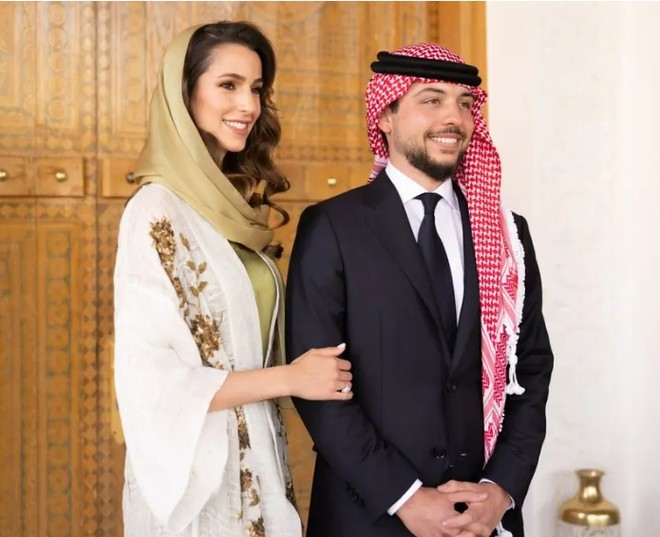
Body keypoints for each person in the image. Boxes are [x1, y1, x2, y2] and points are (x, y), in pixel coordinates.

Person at [285, 43, 554, 537]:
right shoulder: (333, 226)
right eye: (431, 100)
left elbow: (531, 368)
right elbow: (317, 386)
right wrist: (405, 497)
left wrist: (500, 489)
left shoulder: (507, 233)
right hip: (368, 516)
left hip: (480, 517)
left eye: (465, 104)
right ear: (386, 116)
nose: (454, 118)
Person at [113, 21, 353, 537]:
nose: (248, 105)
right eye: (228, 85)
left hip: (259, 456)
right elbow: (151, 379)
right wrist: (290, 378)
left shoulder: (231, 207)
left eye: (257, 89)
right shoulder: (157, 210)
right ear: (184, 93)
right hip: (201, 479)